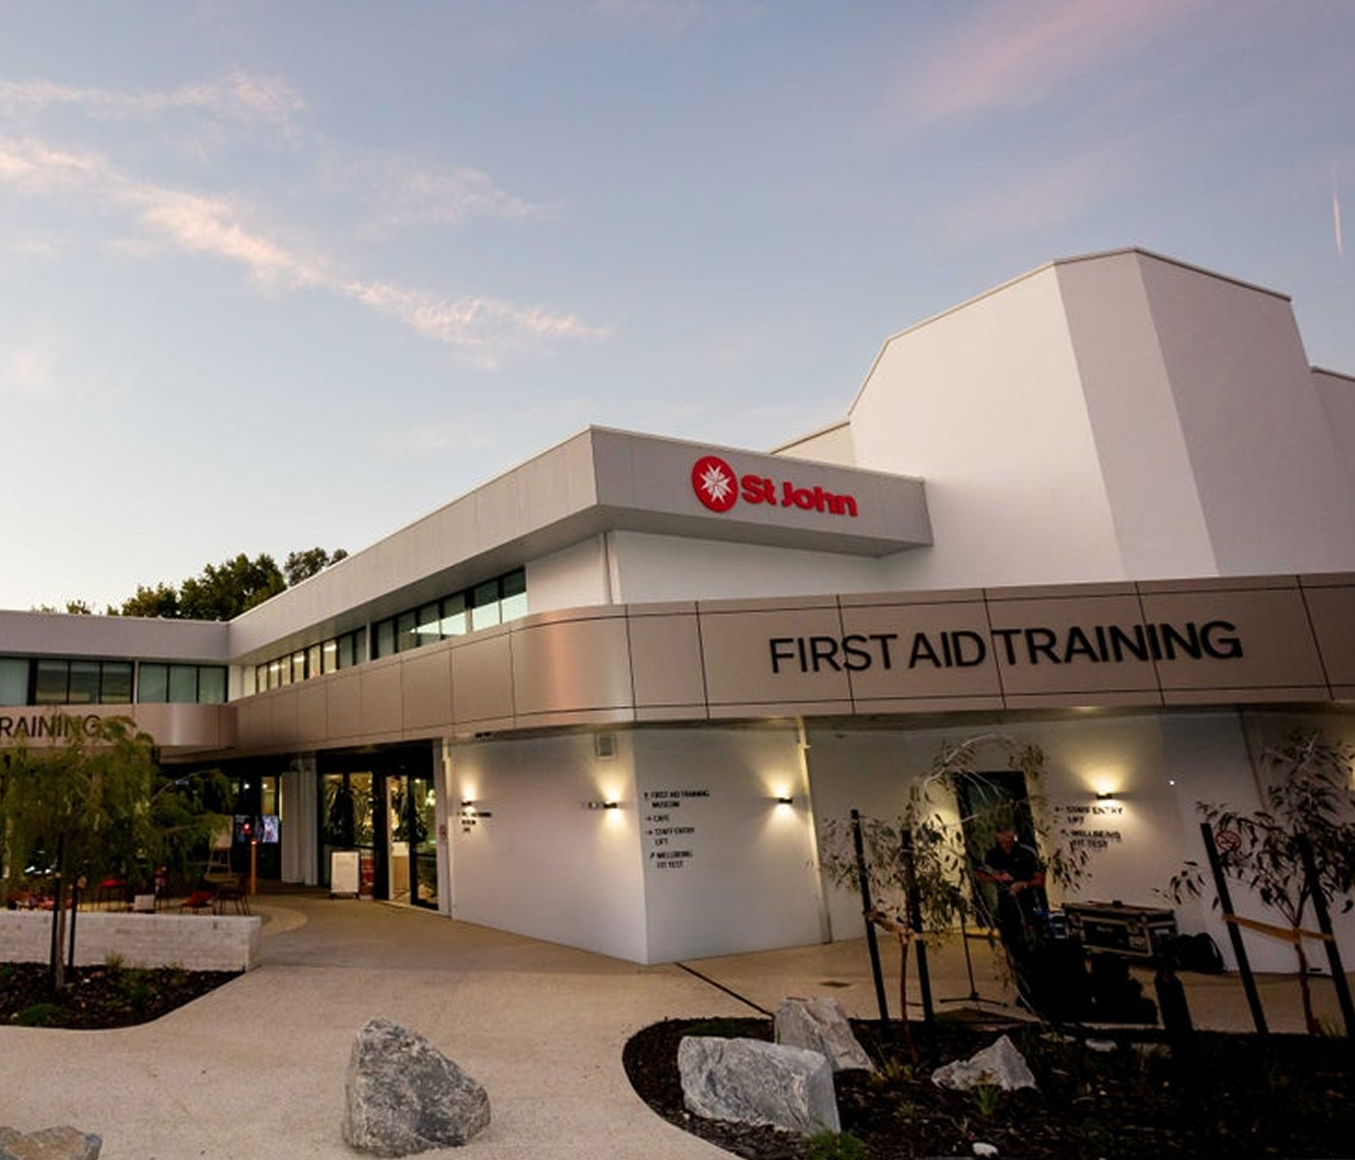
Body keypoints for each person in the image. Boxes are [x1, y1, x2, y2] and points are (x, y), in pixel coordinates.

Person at [975, 827, 1048, 1006]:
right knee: (1013, 949)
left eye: (1009, 837)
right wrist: (1000, 878)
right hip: (1006, 907)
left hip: (1028, 905)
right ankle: (1022, 990)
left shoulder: (1026, 853)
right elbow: (981, 875)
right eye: (1002, 837)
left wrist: (1022, 884)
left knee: (1033, 949)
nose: (1005, 840)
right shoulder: (992, 854)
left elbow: (1040, 880)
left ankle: (1038, 988)